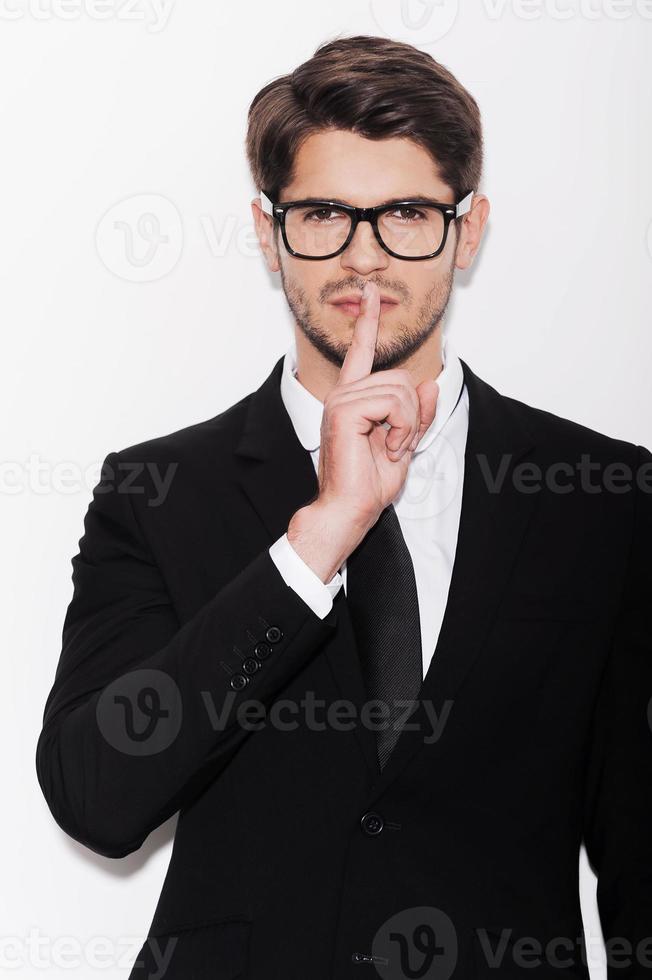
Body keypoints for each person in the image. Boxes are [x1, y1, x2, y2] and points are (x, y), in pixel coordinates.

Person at [35, 34, 652, 980]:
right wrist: (316, 540)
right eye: (324, 214)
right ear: (268, 231)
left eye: (406, 213)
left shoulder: (603, 498)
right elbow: (97, 798)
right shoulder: (157, 491)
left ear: (469, 228)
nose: (364, 258)